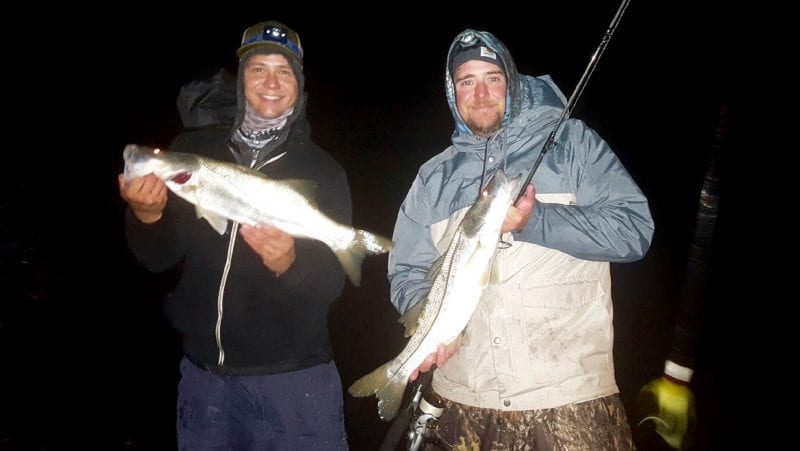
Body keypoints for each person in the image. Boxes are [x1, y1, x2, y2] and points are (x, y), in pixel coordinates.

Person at [388, 28, 655, 449]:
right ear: (451, 91)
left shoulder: (573, 143)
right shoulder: (432, 178)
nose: (480, 93)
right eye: (466, 81)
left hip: (568, 399)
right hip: (461, 401)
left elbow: (634, 231)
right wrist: (433, 329)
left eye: (492, 78)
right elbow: (407, 271)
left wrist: (536, 221)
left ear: (512, 82)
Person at [118, 20, 350, 450]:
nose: (271, 82)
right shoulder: (195, 149)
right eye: (258, 69)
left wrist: (289, 264)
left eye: (284, 71)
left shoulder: (322, 171)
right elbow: (158, 258)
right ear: (241, 80)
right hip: (204, 382)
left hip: (294, 380)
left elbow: (332, 286)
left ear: (299, 85)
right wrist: (146, 215)